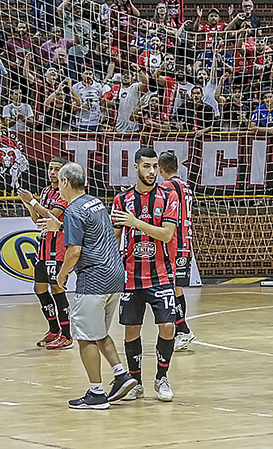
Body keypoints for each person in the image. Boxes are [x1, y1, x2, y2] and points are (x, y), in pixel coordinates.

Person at [37, 162, 137, 409]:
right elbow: (92, 233)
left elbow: (74, 251)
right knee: (100, 332)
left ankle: (96, 393)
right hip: (115, 276)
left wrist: (61, 277)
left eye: (59, 180)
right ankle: (122, 374)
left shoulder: (72, 210)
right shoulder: (95, 202)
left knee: (84, 338)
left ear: (65, 182)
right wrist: (58, 226)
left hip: (94, 280)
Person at [111, 147, 179, 402]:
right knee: (131, 330)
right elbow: (113, 238)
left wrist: (136, 222)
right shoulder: (122, 199)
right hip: (131, 275)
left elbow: (166, 234)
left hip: (161, 273)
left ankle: (161, 377)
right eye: (146, 166)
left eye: (155, 167)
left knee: (168, 326)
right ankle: (135, 382)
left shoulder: (168, 196)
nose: (152, 171)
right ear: (136, 167)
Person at [19, 157, 73, 349]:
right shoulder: (45, 191)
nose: (52, 172)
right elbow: (38, 219)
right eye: (50, 168)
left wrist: (32, 200)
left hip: (58, 250)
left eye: (56, 169)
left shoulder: (65, 193)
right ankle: (54, 329)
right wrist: (29, 205)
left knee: (57, 288)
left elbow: (52, 215)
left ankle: (67, 336)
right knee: (39, 289)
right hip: (44, 248)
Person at [157, 151, 196, 352]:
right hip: (185, 242)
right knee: (176, 288)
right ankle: (182, 329)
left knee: (173, 289)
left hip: (174, 243)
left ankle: (183, 330)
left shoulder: (166, 186)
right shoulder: (185, 186)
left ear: (160, 169)